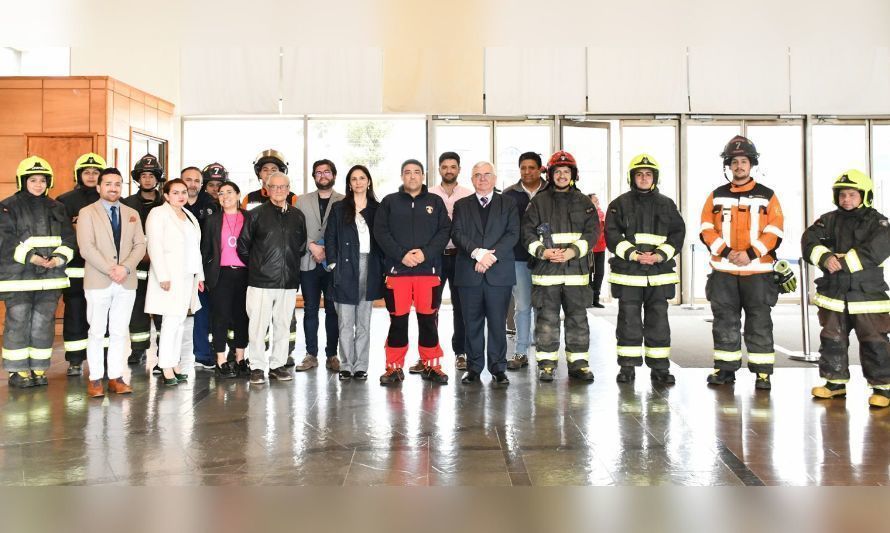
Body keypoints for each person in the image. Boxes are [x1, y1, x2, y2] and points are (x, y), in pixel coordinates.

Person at [700, 135, 784, 390]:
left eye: (744, 161)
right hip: (724, 272)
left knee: (759, 322)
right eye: (734, 162)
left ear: (751, 164)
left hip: (758, 272)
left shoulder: (768, 196)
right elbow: (706, 229)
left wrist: (750, 253)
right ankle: (725, 370)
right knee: (724, 321)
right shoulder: (715, 196)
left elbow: (775, 231)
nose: (739, 166)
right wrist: (727, 252)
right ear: (728, 165)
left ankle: (762, 373)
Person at [802, 170, 890, 408]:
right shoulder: (827, 220)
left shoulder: (878, 222)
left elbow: (876, 250)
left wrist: (839, 262)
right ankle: (834, 383)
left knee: (874, 341)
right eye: (842, 195)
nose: (846, 200)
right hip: (834, 294)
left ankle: (883, 387)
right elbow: (809, 241)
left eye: (852, 194)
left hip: (867, 296)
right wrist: (825, 257)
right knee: (832, 339)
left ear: (865, 196)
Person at [605, 154, 685, 385]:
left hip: (659, 276)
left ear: (655, 178)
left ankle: (660, 368)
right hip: (628, 275)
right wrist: (634, 254)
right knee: (628, 322)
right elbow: (612, 234)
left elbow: (677, 233)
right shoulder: (619, 204)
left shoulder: (667, 204)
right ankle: (627, 367)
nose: (643, 178)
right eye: (639, 174)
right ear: (632, 177)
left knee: (658, 323)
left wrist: (660, 255)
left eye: (648, 174)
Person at [522, 150, 599, 382]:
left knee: (578, 320)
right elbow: (526, 233)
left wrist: (573, 251)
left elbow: (593, 232)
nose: (562, 176)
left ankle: (579, 364)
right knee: (546, 321)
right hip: (546, 274)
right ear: (551, 174)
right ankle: (546, 364)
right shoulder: (538, 202)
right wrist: (543, 251)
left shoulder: (585, 202)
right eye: (558, 172)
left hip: (576, 274)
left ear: (573, 175)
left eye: (566, 172)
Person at [374, 159, 451, 385]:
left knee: (428, 320)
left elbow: (444, 231)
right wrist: (402, 255)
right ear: (401, 176)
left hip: (428, 272)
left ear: (423, 176)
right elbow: (381, 232)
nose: (412, 176)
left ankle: (431, 366)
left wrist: (425, 254)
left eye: (416, 172)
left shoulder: (435, 202)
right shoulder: (389, 202)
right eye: (407, 172)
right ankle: (393, 368)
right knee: (398, 322)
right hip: (398, 273)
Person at [0, 157, 75, 388]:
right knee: (18, 321)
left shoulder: (58, 208)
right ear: (23, 181)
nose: (38, 184)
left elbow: (69, 238)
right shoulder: (7, 206)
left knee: (44, 322)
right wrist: (31, 257)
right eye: (33, 180)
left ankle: (40, 369)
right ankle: (18, 372)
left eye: (43, 180)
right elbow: (5, 238)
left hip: (50, 279)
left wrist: (59, 258)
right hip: (18, 279)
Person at [76, 168, 146, 397]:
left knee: (119, 331)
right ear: (99, 187)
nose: (113, 188)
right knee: (96, 331)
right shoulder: (87, 212)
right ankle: (95, 379)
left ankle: (116, 377)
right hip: (99, 280)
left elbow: (140, 246)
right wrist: (110, 269)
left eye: (117, 183)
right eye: (108, 184)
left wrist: (124, 268)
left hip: (125, 281)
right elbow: (86, 248)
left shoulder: (131, 213)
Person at [451, 162, 518, 385]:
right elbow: (457, 233)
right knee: (472, 323)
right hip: (469, 272)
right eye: (477, 175)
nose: (482, 178)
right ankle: (474, 368)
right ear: (471, 179)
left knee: (498, 323)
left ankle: (498, 368)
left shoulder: (508, 203)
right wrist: (477, 253)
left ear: (495, 177)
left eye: (487, 174)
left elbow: (512, 234)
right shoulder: (461, 205)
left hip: (498, 273)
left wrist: (490, 257)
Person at [237, 172, 307, 385]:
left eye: (283, 186)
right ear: (267, 189)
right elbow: (243, 247)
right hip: (261, 282)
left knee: (283, 325)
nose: (278, 190)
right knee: (258, 327)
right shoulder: (255, 214)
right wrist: (259, 266)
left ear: (288, 189)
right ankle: (257, 367)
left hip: (288, 282)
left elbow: (301, 247)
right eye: (274, 187)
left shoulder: (297, 215)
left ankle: (277, 365)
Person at [324, 165, 384, 381]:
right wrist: (332, 264)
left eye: (362, 178)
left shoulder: (378, 208)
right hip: (344, 266)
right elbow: (330, 237)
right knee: (345, 321)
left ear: (368, 181)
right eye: (354, 179)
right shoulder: (339, 208)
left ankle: (361, 365)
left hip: (369, 265)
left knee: (364, 321)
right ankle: (346, 364)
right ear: (349, 183)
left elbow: (384, 239)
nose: (358, 182)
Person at [144, 179, 204, 386]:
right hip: (169, 277)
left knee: (180, 323)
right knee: (170, 322)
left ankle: (174, 363)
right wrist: (163, 276)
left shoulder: (189, 216)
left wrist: (200, 276)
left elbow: (196, 248)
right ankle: (165, 367)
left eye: (184, 192)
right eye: (176, 192)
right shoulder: (158, 214)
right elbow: (154, 246)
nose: (181, 196)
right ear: (166, 196)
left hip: (188, 275)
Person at [241, 149, 299, 361]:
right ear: (260, 175)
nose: (269, 173)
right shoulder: (250, 199)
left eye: (274, 170)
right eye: (265, 170)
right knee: (258, 322)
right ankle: (257, 360)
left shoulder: (294, 201)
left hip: (287, 276)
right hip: (261, 276)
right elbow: (243, 241)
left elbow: (298, 241)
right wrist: (258, 264)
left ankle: (284, 357)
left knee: (285, 322)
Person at [57, 152, 106, 376]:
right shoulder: (65, 201)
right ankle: (75, 360)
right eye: (86, 172)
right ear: (78, 175)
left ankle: (104, 359)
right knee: (75, 311)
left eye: (96, 172)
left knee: (103, 314)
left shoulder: (109, 199)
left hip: (103, 269)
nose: (91, 175)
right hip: (75, 268)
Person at [294, 159, 343, 373]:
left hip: (333, 265)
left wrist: (326, 250)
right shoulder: (301, 201)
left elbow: (347, 233)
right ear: (314, 176)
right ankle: (311, 354)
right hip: (308, 263)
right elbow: (295, 231)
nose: (322, 175)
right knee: (310, 309)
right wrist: (312, 246)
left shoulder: (344, 200)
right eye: (318, 172)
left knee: (333, 310)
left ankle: (332, 354)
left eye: (327, 172)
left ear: (334, 175)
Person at [426, 151, 473, 373]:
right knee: (430, 307)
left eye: (453, 167)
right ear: (439, 169)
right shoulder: (429, 194)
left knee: (461, 307)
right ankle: (429, 352)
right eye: (444, 167)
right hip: (435, 257)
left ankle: (460, 352)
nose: (449, 170)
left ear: (459, 169)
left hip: (461, 257)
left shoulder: (468, 194)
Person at [502, 152, 547, 370]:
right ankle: (521, 352)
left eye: (531, 167)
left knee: (544, 307)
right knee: (522, 306)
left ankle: (544, 352)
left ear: (540, 169)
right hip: (518, 259)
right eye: (523, 168)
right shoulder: (509, 194)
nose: (527, 172)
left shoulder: (551, 191)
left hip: (547, 261)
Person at [201, 181, 250, 379]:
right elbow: (205, 250)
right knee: (220, 318)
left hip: (245, 274)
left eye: (230, 192)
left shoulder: (249, 218)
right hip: (220, 274)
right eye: (221, 193)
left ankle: (240, 358)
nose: (225, 196)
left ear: (238, 195)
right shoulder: (213, 220)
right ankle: (221, 359)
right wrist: (202, 275)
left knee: (241, 317)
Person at [122, 154, 165, 366]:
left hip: (161, 268)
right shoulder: (127, 204)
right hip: (135, 267)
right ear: (138, 178)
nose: (147, 179)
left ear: (158, 178)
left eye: (151, 175)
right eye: (143, 175)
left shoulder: (167, 203)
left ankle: (164, 352)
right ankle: (138, 349)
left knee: (161, 310)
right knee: (137, 309)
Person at [181, 166, 217, 370]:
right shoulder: (170, 204)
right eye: (188, 179)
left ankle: (203, 354)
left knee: (203, 312)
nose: (192, 184)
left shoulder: (211, 205)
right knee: (171, 316)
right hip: (177, 267)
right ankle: (166, 359)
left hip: (203, 268)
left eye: (196, 180)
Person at [588, 192, 607, 308]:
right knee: (588, 275)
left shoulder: (602, 213)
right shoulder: (585, 214)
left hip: (601, 248)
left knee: (599, 274)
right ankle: (588, 299)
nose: (597, 202)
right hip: (589, 249)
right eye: (595, 200)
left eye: (597, 200)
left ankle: (596, 298)